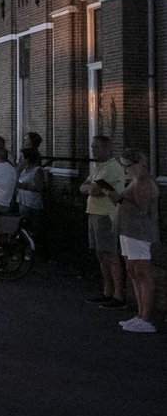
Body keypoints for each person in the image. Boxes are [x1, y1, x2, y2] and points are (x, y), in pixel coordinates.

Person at [80, 135, 128, 310]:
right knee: (100, 254)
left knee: (110, 254)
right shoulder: (98, 168)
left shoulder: (113, 167)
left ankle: (118, 294)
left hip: (106, 215)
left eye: (97, 147)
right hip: (93, 212)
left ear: (108, 149)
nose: (94, 150)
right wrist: (90, 189)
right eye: (93, 147)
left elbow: (94, 189)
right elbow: (84, 186)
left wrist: (91, 189)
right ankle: (107, 291)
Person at [115, 150, 158, 333]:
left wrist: (121, 199)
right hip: (128, 231)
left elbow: (142, 210)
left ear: (139, 164)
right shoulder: (135, 180)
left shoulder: (143, 182)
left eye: (128, 165)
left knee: (142, 274)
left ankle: (146, 317)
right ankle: (140, 314)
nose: (125, 169)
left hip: (139, 233)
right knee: (133, 271)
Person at [14, 133, 46, 240]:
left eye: (22, 159)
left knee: (32, 226)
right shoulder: (23, 170)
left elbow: (39, 187)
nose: (20, 161)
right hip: (22, 201)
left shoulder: (36, 170)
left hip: (32, 203)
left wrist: (23, 186)